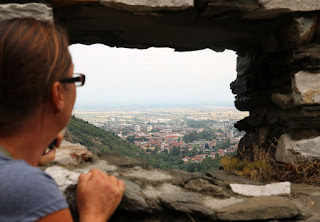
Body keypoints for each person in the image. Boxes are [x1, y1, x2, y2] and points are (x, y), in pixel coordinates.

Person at [0, 17, 125, 222]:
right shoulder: (33, 191)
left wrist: (30, 155)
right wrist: (94, 214)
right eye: (74, 78)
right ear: (57, 93)